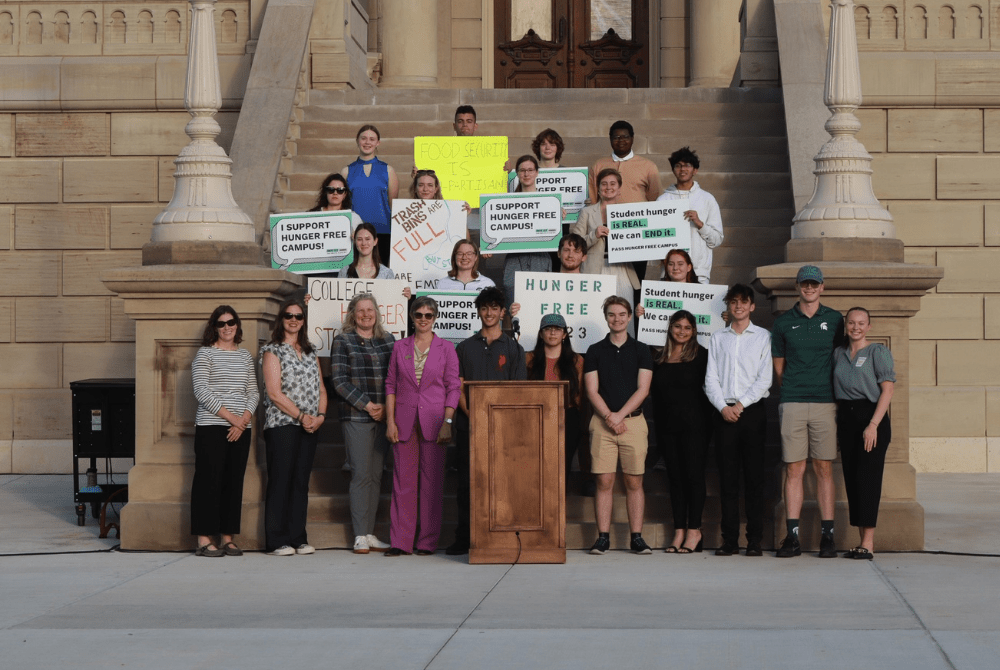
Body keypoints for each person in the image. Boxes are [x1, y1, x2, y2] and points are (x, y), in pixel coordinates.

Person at [771, 265, 845, 558]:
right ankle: (793, 537)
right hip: (793, 401)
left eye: (814, 284)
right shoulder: (784, 322)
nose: (809, 288)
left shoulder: (835, 319)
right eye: (805, 283)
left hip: (826, 402)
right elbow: (779, 364)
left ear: (822, 287)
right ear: (797, 286)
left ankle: (828, 536)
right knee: (794, 469)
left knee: (824, 468)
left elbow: (843, 357)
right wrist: (793, 386)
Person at [448, 286, 527, 555]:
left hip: (503, 430)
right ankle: (464, 537)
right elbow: (456, 386)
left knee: (501, 484)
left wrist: (497, 421)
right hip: (469, 425)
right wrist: (473, 415)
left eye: (494, 308)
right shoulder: (464, 347)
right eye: (484, 308)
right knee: (467, 484)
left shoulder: (514, 348)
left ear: (503, 312)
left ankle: (500, 536)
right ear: (478, 311)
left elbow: (519, 392)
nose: (489, 313)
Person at [384, 297, 461, 556]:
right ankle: (400, 542)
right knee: (402, 483)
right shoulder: (399, 347)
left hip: (435, 421)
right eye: (419, 315)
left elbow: (454, 386)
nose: (424, 319)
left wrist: (448, 421)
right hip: (404, 421)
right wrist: (390, 421)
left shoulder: (446, 348)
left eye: (429, 315)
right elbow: (391, 385)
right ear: (412, 317)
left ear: (435, 317)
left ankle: (427, 542)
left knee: (432, 483)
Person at [704, 284, 772, 557]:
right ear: (728, 307)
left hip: (752, 412)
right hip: (723, 414)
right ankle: (729, 539)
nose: (738, 306)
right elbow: (711, 378)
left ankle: (754, 539)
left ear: (752, 306)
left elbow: (765, 378)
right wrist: (723, 406)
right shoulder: (718, 338)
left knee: (754, 479)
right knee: (727, 480)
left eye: (743, 302)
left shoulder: (763, 337)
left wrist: (741, 405)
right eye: (733, 302)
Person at [585, 296, 654, 555]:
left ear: (629, 316)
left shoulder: (641, 350)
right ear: (606, 317)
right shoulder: (594, 350)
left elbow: (643, 388)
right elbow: (592, 390)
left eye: (622, 314)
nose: (617, 319)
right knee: (604, 480)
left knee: (634, 482)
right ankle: (603, 537)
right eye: (612, 314)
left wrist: (620, 416)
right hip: (603, 423)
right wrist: (609, 417)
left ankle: (636, 537)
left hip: (633, 423)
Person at [189, 306, 259, 557]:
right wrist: (232, 418)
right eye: (221, 323)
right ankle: (204, 537)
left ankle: (228, 537)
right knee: (208, 482)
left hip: (241, 429)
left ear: (237, 325)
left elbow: (253, 392)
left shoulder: (244, 357)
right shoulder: (205, 354)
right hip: (212, 426)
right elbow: (201, 391)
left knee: (233, 483)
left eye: (231, 322)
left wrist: (244, 420)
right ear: (214, 328)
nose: (227, 327)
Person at [330, 293, 396, 554]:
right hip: (357, 415)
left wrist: (386, 411)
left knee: (376, 475)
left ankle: (369, 533)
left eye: (370, 310)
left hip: (383, 418)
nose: (366, 314)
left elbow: (396, 377)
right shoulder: (343, 341)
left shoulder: (388, 340)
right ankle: (359, 534)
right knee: (360, 474)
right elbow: (339, 381)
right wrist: (369, 405)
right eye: (360, 310)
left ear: (377, 313)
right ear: (352, 314)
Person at [260, 297, 327, 556]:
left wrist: (320, 416)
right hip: (282, 425)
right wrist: (302, 416)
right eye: (289, 315)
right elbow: (275, 394)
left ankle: (298, 537)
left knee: (300, 482)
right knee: (281, 481)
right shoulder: (272, 351)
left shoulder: (310, 352)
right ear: (281, 319)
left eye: (299, 316)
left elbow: (321, 388)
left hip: (310, 426)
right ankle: (277, 540)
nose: (294, 320)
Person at [834, 307, 895, 561]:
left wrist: (873, 425)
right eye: (851, 323)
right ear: (846, 325)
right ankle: (861, 542)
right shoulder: (838, 353)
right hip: (846, 420)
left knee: (868, 479)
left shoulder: (877, 352)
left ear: (869, 326)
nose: (856, 327)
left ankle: (868, 544)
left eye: (861, 323)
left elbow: (888, 391)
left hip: (871, 419)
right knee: (853, 480)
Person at [651, 310, 710, 554]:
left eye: (687, 327)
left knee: (693, 478)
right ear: (670, 328)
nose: (682, 331)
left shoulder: (702, 355)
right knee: (674, 479)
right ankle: (679, 530)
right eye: (677, 326)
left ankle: (695, 530)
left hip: (696, 427)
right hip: (667, 427)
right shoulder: (658, 357)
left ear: (694, 330)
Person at [525, 314, 586, 491]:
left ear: (565, 334)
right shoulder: (528, 359)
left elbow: (580, 394)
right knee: (536, 464)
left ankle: (558, 512)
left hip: (567, 417)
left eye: (558, 329)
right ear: (541, 334)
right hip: (536, 416)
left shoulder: (577, 361)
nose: (552, 333)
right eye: (548, 329)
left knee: (562, 465)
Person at [571, 168, 639, 322]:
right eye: (604, 184)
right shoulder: (587, 212)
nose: (609, 187)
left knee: (623, 312)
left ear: (619, 188)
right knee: (596, 314)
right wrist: (593, 235)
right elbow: (575, 245)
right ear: (599, 188)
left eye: (613, 183)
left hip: (622, 268)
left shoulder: (630, 212)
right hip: (595, 268)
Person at [653, 147, 723, 284]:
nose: (682, 169)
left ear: (695, 170)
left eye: (687, 165)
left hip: (699, 272)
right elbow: (654, 239)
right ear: (673, 170)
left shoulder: (707, 199)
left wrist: (700, 224)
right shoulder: (663, 200)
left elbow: (717, 240)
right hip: (670, 273)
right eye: (678, 166)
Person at [502, 155, 553, 309]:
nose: (526, 174)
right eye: (522, 170)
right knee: (515, 306)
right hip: (514, 257)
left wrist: (559, 212)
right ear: (517, 173)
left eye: (530, 170)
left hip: (540, 256)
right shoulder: (507, 202)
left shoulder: (550, 201)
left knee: (539, 304)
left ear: (537, 172)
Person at [342, 124, 398, 262]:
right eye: (364, 138)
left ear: (378, 142)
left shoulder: (388, 170)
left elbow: (393, 206)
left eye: (372, 139)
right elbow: (343, 206)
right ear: (357, 141)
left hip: (383, 232)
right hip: (356, 233)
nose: (367, 142)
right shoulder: (346, 171)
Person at [588, 120, 661, 205]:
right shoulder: (598, 165)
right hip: (606, 217)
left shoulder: (648, 166)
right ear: (610, 139)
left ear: (632, 139)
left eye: (625, 137)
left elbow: (656, 201)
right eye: (616, 137)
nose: (621, 140)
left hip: (638, 217)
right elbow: (592, 199)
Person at [634, 248, 699, 319]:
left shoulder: (701, 292)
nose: (675, 268)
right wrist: (640, 311)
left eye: (680, 264)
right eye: (671, 264)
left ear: (689, 267)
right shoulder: (653, 291)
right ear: (666, 267)